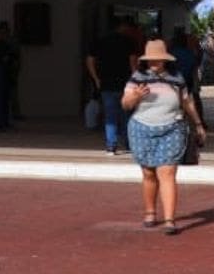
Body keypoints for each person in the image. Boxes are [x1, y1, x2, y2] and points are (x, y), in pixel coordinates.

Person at [122, 39, 207, 235]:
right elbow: (125, 104)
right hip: (142, 128)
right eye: (151, 59)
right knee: (149, 173)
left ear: (165, 60)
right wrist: (136, 96)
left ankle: (170, 219)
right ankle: (150, 212)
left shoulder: (176, 78)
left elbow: (187, 101)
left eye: (158, 59)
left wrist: (198, 124)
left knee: (167, 172)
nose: (154, 63)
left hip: (172, 128)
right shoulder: (138, 77)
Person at [86, 18, 139, 156]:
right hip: (125, 84)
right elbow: (133, 63)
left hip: (106, 83)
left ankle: (111, 146)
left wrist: (96, 78)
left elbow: (90, 60)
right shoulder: (128, 41)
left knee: (110, 116)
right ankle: (128, 144)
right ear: (122, 26)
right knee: (126, 115)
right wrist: (135, 81)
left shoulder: (99, 41)